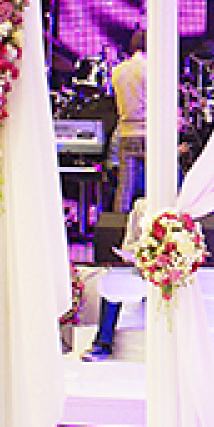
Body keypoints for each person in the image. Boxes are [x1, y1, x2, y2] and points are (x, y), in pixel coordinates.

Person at [83, 196, 148, 361]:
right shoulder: (141, 206)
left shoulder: (182, 203)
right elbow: (128, 243)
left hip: (170, 268)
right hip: (141, 265)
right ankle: (102, 343)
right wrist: (140, 252)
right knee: (113, 278)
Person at [110, 28, 147, 213]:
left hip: (125, 131)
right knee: (155, 187)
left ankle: (119, 223)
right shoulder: (151, 69)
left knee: (124, 187)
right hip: (148, 131)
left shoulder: (118, 71)